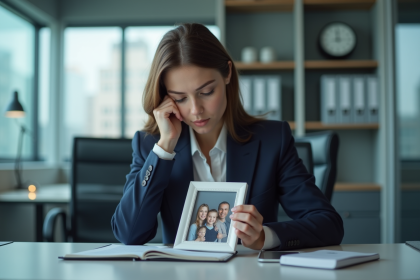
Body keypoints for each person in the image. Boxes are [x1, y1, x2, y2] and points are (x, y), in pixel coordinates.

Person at [111, 23, 344, 250]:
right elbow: (130, 234)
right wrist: (164, 148)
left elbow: (328, 224)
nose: (195, 110)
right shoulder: (151, 145)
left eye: (206, 92)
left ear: (227, 74)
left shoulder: (273, 140)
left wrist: (265, 236)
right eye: (180, 98)